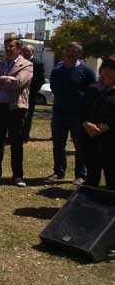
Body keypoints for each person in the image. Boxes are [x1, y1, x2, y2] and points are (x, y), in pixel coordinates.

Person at [0, 37, 33, 187]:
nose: (8, 50)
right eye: (6, 47)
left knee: (16, 143)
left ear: (18, 49)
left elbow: (18, 83)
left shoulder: (27, 65)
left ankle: (17, 175)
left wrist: (3, 79)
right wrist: (6, 79)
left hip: (16, 108)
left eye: (11, 47)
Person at [48, 42, 96, 185]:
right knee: (58, 145)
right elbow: (53, 87)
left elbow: (92, 93)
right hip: (59, 113)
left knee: (80, 146)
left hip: (78, 115)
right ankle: (58, 172)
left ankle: (80, 175)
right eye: (68, 50)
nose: (71, 54)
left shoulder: (87, 71)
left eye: (74, 51)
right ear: (64, 52)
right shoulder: (57, 70)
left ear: (79, 54)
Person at [79, 56, 115, 190]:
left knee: (112, 177)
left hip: (111, 139)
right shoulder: (92, 89)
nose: (108, 71)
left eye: (112, 69)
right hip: (91, 137)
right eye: (105, 68)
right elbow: (81, 110)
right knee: (92, 176)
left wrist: (107, 126)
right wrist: (85, 123)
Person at [22, 45, 45, 142]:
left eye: (27, 51)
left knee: (28, 115)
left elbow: (41, 79)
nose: (25, 53)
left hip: (31, 93)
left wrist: (34, 90)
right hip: (20, 92)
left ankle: (25, 136)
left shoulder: (37, 63)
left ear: (32, 52)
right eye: (24, 51)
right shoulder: (20, 62)